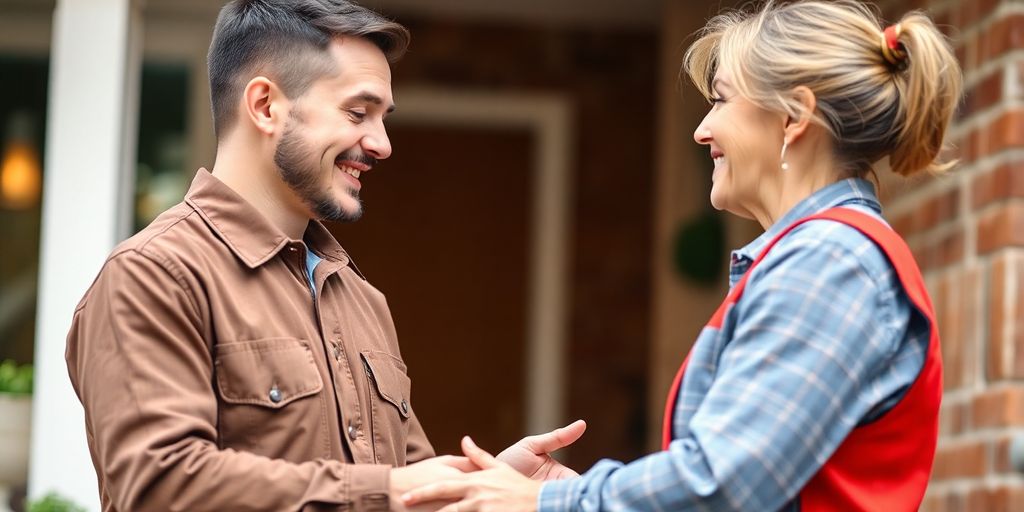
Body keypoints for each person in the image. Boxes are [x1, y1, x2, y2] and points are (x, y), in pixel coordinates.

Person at [400, 0, 962, 510]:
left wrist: (549, 506)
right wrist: (558, 491)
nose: (701, 129)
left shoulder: (830, 262)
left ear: (794, 118)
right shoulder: (824, 256)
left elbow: (725, 483)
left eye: (719, 100)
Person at [64, 1, 584, 510]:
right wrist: (386, 490)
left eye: (382, 118)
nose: (381, 144)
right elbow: (157, 488)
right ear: (266, 106)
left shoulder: (362, 298)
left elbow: (402, 492)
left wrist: (480, 487)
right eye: (359, 112)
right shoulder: (154, 275)